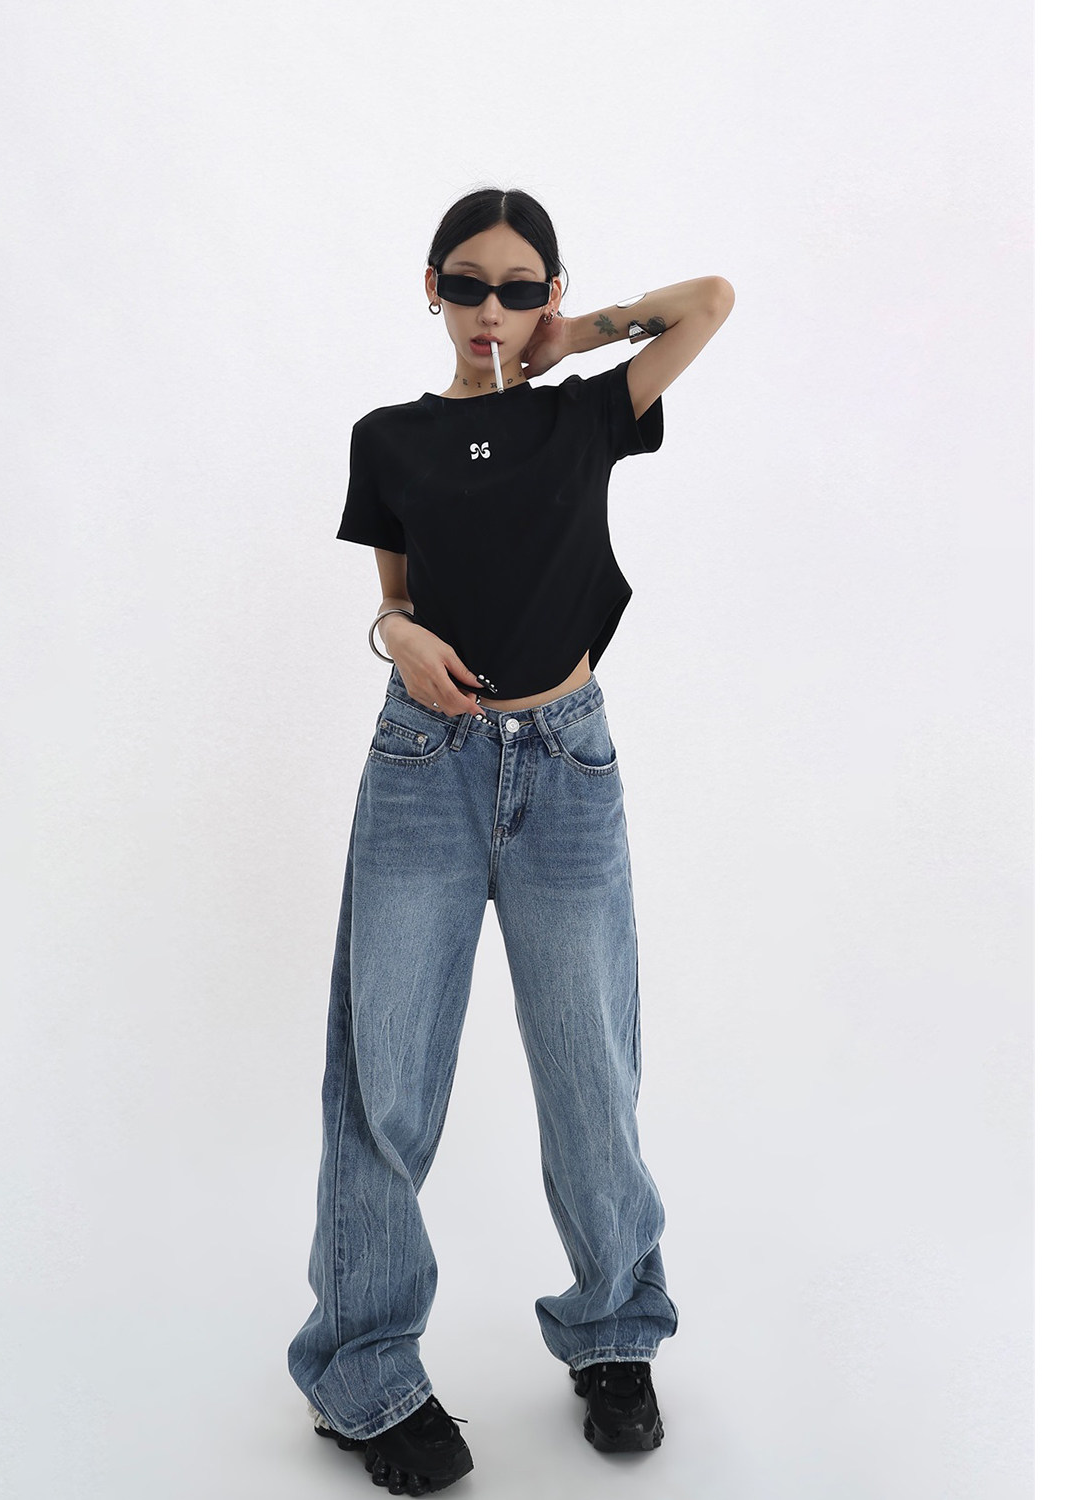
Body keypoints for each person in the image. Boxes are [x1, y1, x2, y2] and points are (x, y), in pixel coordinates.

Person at [288, 185, 735, 1495]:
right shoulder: (388, 438)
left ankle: (615, 1332)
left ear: (548, 294)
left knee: (593, 1069)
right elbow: (393, 600)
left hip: (569, 768)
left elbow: (710, 303)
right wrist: (395, 635)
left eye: (520, 286)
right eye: (469, 284)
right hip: (423, 769)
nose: (492, 307)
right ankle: (365, 1373)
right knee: (385, 1079)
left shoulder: (584, 413)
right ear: (431, 288)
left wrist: (572, 335)